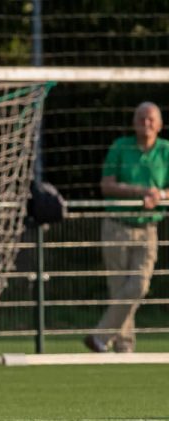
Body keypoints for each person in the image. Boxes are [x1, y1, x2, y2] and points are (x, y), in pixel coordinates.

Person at [84, 102, 169, 354]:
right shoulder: (120, 147)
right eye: (141, 118)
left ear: (160, 124)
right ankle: (124, 348)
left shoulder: (165, 150)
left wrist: (160, 195)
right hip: (117, 226)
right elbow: (107, 185)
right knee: (119, 288)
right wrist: (139, 192)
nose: (146, 123)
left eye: (151, 119)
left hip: (148, 227)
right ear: (134, 122)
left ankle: (100, 336)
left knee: (139, 285)